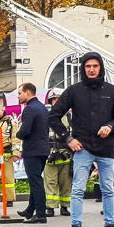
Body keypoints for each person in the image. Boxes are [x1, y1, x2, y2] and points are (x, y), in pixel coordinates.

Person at [49, 53, 114, 227]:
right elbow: (53, 116)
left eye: (95, 66)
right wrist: (68, 139)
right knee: (78, 189)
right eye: (88, 66)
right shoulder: (73, 91)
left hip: (106, 147)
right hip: (82, 148)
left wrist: (110, 127)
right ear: (83, 68)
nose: (91, 69)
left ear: (101, 68)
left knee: (108, 189)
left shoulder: (112, 91)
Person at [15, 84, 49, 223]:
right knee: (36, 180)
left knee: (36, 182)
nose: (18, 96)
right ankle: (30, 210)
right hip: (43, 149)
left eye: (20, 93)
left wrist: (17, 134)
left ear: (28, 93)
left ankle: (40, 214)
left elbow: (25, 130)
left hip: (33, 150)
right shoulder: (42, 107)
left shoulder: (29, 109)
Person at [43, 88, 72, 216]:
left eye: (59, 99)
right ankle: (50, 207)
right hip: (50, 154)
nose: (57, 101)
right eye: (54, 99)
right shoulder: (46, 116)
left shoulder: (70, 116)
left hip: (66, 153)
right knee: (50, 182)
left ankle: (64, 206)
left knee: (66, 182)